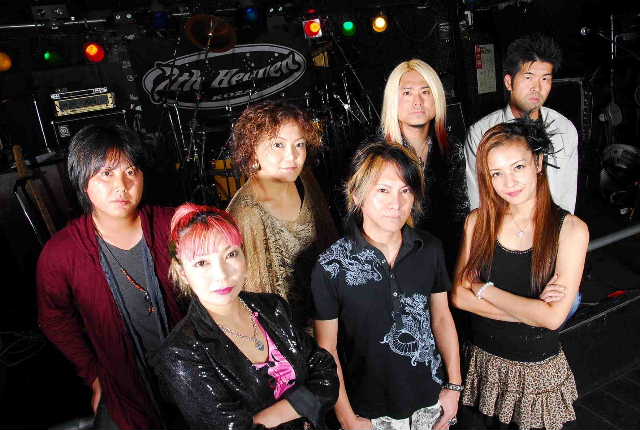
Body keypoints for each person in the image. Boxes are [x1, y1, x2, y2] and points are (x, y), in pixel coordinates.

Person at [37, 124, 184, 429]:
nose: (122, 186)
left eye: (130, 171)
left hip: (193, 375)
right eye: (106, 173)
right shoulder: (61, 253)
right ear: (83, 180)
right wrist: (94, 375)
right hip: (125, 388)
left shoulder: (174, 225)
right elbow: (54, 319)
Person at [312, 142, 462, 430]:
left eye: (405, 190)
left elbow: (442, 318)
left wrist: (454, 387)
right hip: (368, 412)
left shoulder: (429, 248)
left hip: (431, 401)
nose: (397, 203)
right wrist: (347, 418)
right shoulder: (330, 265)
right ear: (357, 194)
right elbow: (327, 349)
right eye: (383, 190)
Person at [451, 119, 588, 430]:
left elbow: (553, 318)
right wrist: (533, 312)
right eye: (496, 173)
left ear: (538, 163)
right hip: (482, 365)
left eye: (518, 167)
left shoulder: (571, 230)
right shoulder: (477, 222)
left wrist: (483, 289)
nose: (508, 182)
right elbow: (458, 297)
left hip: (535, 374)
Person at [151, 203, 339, 429]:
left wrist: (267, 419)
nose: (221, 274)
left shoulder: (272, 307)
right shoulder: (181, 354)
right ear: (182, 271)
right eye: (202, 263)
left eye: (230, 254)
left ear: (244, 254)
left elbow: (326, 376)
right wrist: (304, 403)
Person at [227, 100, 338, 330]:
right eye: (278, 145)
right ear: (253, 150)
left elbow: (330, 243)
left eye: (299, 144)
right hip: (288, 333)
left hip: (329, 315)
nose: (292, 156)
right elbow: (255, 301)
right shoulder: (246, 212)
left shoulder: (305, 180)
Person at [465, 34, 579, 213]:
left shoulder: (564, 128)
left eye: (545, 79)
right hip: (502, 227)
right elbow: (478, 200)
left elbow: (566, 195)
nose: (537, 88)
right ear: (509, 82)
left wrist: (562, 227)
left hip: (552, 225)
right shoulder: (481, 132)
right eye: (528, 77)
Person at [381, 59, 469, 266]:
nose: (417, 101)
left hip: (446, 260)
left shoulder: (452, 149)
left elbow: (460, 216)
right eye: (407, 93)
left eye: (426, 92)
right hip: (395, 263)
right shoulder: (378, 154)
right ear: (393, 100)